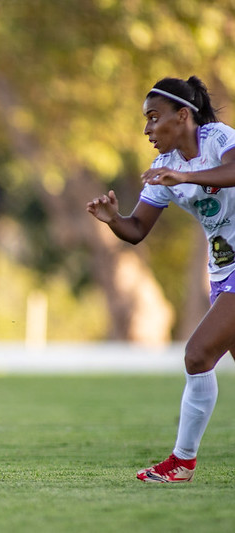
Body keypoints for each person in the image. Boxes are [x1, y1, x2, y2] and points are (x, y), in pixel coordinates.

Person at [87, 76, 235, 483]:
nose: (147, 129)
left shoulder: (217, 138)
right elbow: (137, 230)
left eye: (154, 117)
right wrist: (113, 219)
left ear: (183, 116)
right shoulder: (163, 168)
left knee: (197, 356)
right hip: (223, 270)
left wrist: (185, 179)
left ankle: (182, 462)